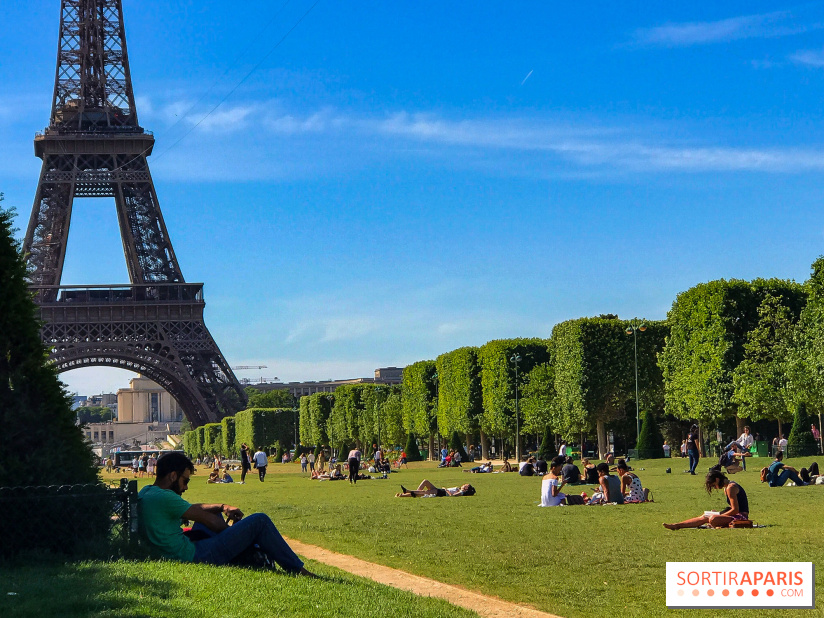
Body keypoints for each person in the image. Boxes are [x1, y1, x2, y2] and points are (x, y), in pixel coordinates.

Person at [138, 452, 315, 576]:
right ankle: (296, 569)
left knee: (213, 515)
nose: (185, 487)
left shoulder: (148, 492)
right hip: (195, 556)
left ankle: (248, 550)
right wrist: (237, 533)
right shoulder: (166, 497)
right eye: (185, 481)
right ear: (173, 476)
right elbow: (210, 522)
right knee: (259, 521)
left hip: (178, 551)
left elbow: (196, 509)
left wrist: (221, 507)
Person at [663, 470, 749, 530]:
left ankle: (677, 526)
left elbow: (735, 510)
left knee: (712, 519)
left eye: (713, 485)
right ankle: (677, 525)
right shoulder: (727, 487)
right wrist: (720, 513)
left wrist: (720, 515)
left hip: (741, 517)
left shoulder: (731, 487)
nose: (715, 487)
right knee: (706, 516)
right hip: (734, 515)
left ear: (717, 479)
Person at [395, 480, 475, 497]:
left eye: (465, 485)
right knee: (425, 482)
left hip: (441, 492)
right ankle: (408, 493)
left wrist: (446, 489)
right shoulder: (459, 489)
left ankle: (408, 492)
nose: (464, 484)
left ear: (466, 489)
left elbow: (452, 496)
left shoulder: (461, 492)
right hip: (441, 490)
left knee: (425, 492)